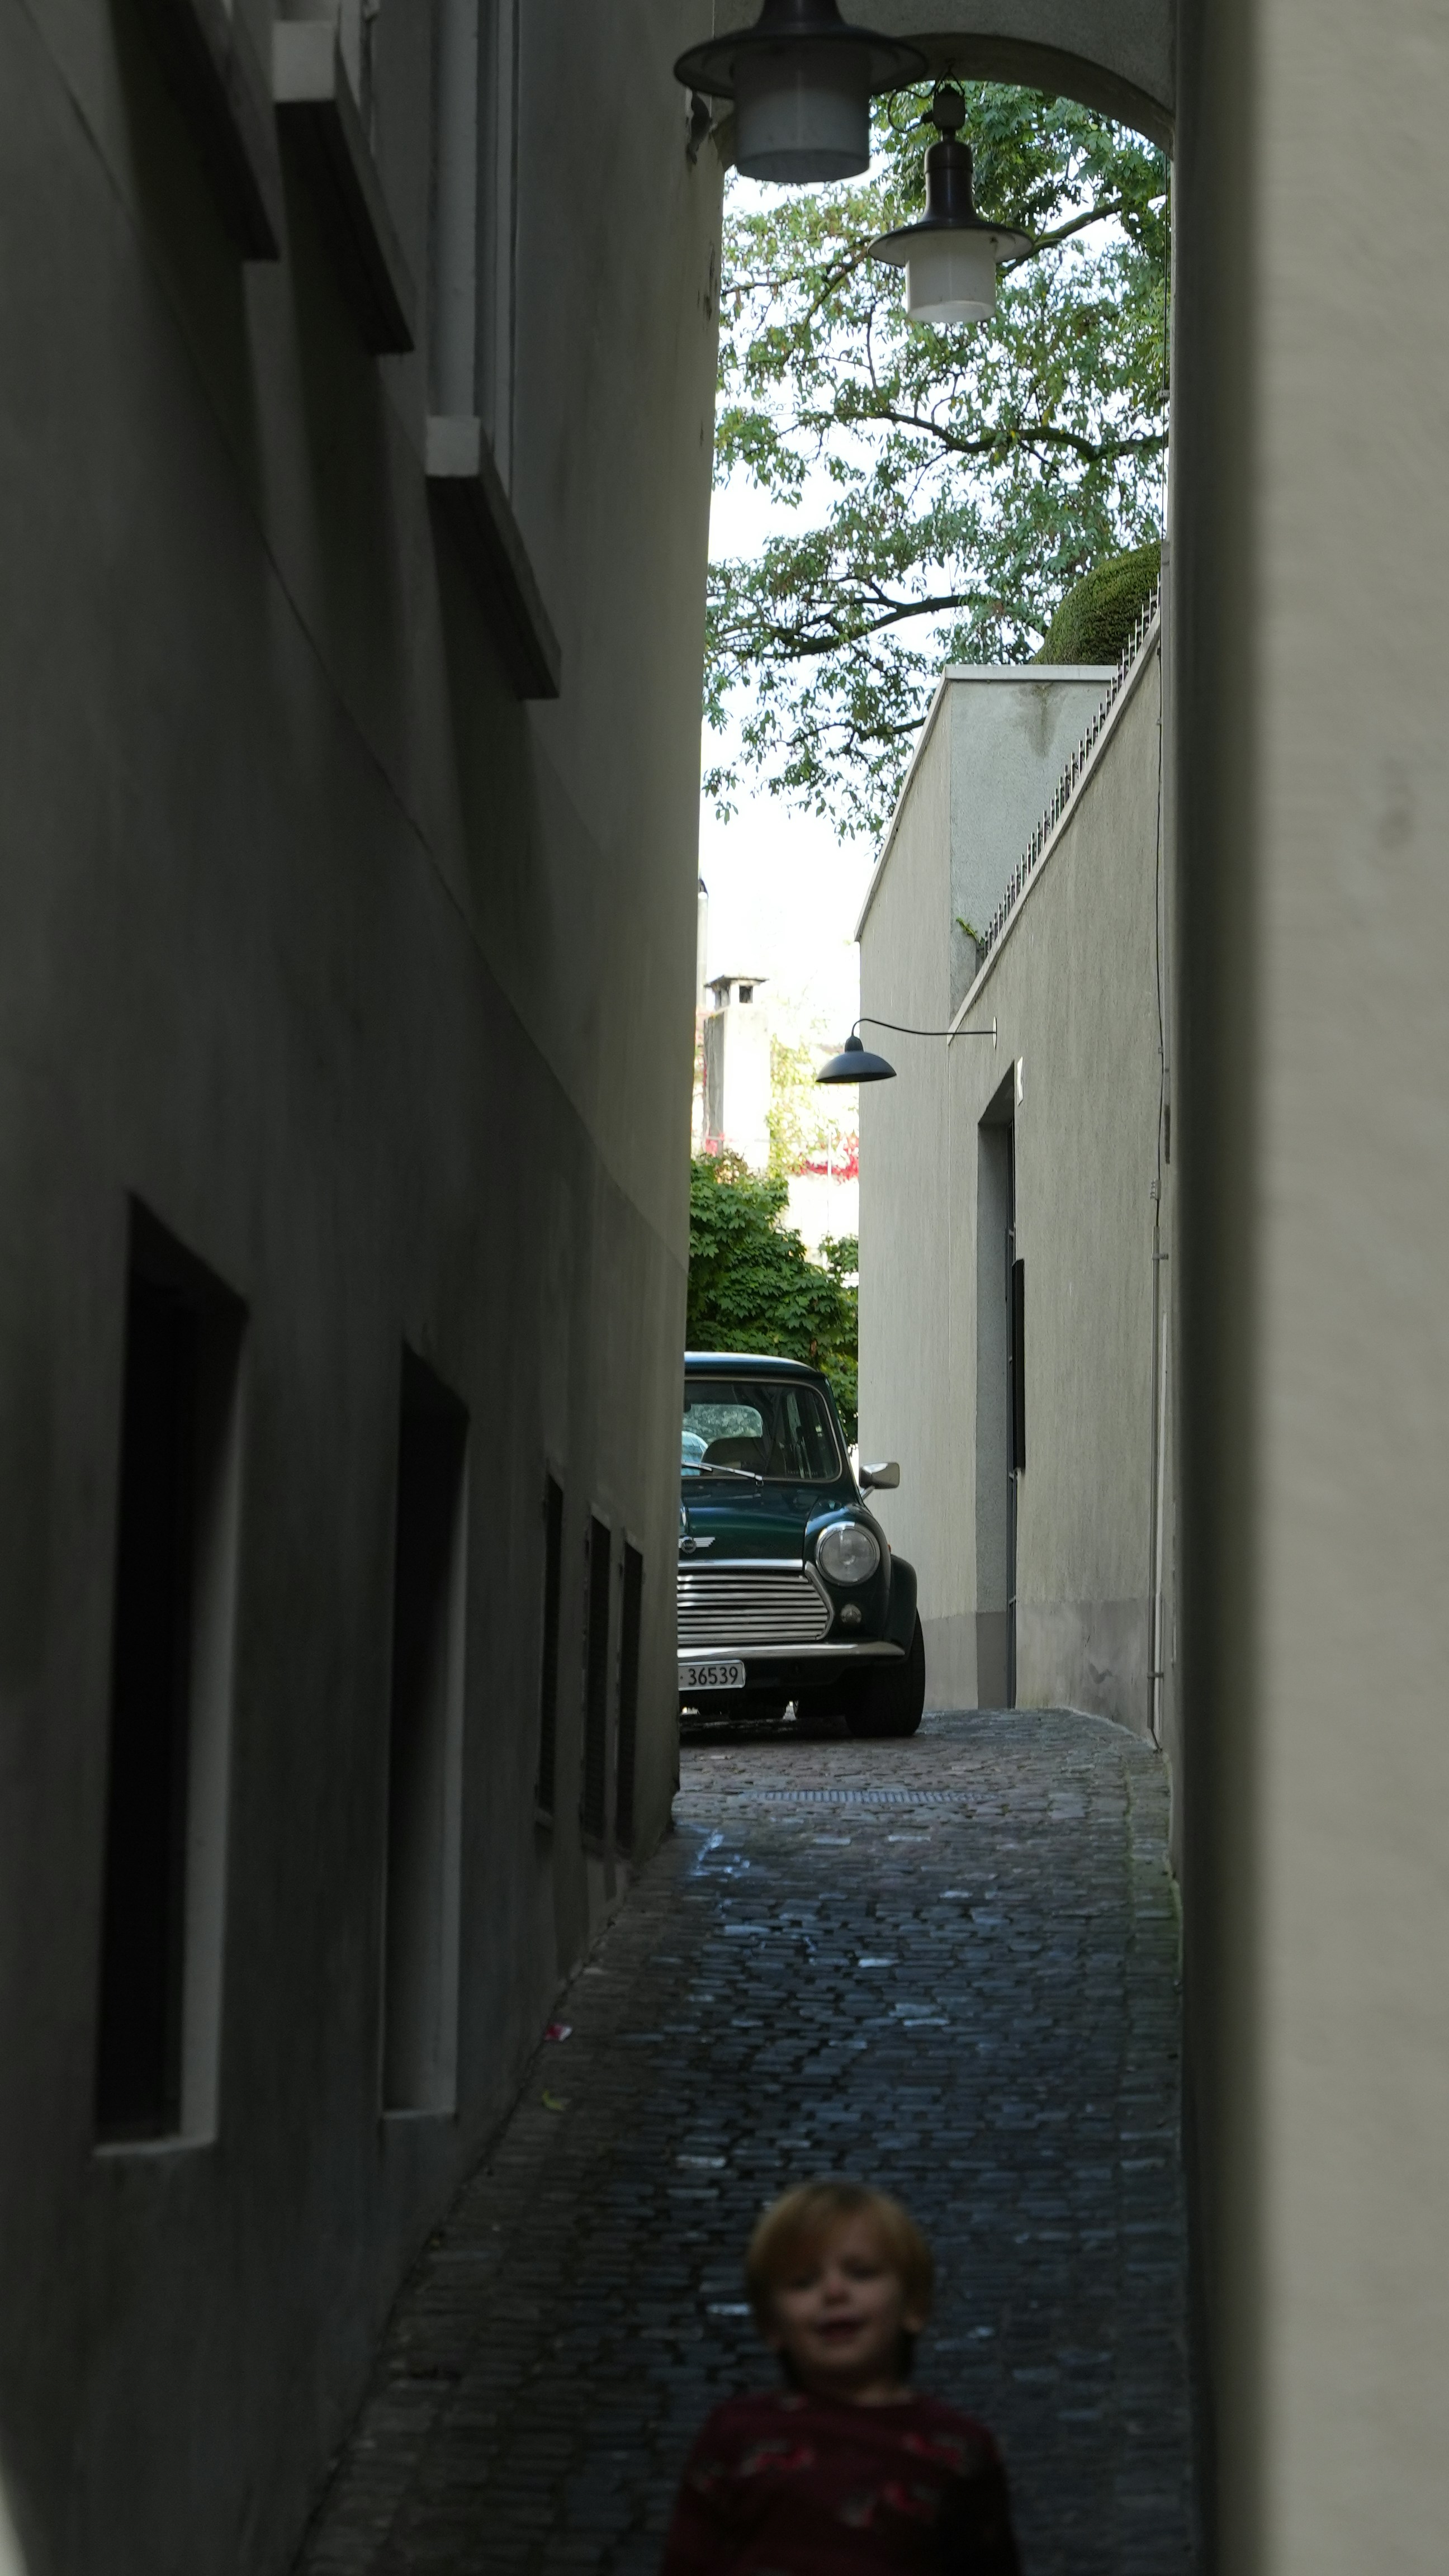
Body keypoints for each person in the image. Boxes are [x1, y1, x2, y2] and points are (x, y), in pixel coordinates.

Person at [662, 2181, 1021, 2574]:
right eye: (803, 2282)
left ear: (913, 2305)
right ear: (771, 2325)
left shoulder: (956, 2450)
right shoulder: (735, 2437)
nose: (833, 2292)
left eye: (861, 2273)